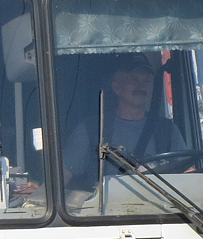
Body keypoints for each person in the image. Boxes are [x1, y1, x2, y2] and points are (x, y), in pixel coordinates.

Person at [63, 53, 183, 191]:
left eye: (146, 81)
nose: (141, 86)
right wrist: (40, 195)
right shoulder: (92, 130)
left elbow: (188, 174)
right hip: (105, 210)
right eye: (133, 80)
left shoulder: (167, 131)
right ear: (117, 86)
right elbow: (63, 177)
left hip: (163, 209)